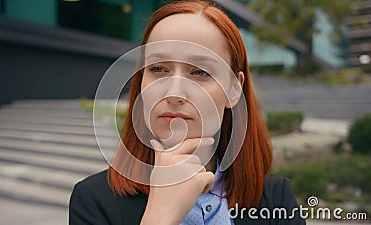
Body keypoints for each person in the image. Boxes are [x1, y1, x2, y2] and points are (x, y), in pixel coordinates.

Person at [69, 1, 306, 225]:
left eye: (199, 72)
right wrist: (159, 217)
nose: (174, 93)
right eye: (158, 69)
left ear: (234, 89)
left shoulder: (275, 198)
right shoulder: (94, 200)